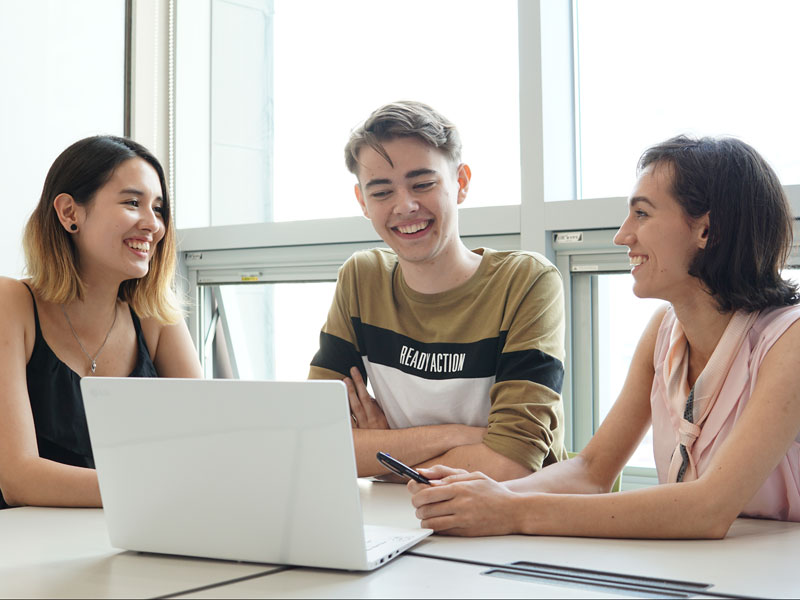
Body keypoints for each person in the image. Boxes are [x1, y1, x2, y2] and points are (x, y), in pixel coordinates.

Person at [409, 135, 800, 537]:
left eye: (643, 214)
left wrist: (512, 510)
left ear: (706, 231)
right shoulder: (663, 332)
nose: (622, 236)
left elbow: (708, 508)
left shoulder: (790, 339)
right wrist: (481, 496)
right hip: (701, 571)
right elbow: (591, 471)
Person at [309, 101, 567, 481]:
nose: (405, 206)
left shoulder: (526, 282)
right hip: (401, 518)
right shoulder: (362, 279)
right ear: (362, 201)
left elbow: (512, 462)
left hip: (511, 524)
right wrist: (460, 437)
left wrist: (385, 454)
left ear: (460, 183)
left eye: (423, 184)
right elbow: (319, 442)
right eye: (381, 192)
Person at [0, 135, 202, 509]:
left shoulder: (155, 316)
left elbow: (206, 443)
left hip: (123, 538)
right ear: (69, 213)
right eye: (132, 203)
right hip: (20, 549)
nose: (153, 225)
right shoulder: (10, 304)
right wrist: (161, 490)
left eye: (158, 209)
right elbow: (19, 478)